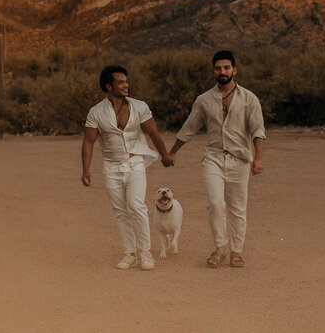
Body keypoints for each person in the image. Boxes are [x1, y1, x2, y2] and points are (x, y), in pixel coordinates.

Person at [169, 50, 265, 268]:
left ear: (234, 70)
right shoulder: (204, 100)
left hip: (240, 159)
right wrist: (173, 151)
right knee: (215, 203)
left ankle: (236, 252)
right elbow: (189, 128)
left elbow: (258, 129)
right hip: (213, 158)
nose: (222, 72)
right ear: (214, 70)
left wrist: (258, 158)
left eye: (226, 68)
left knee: (238, 207)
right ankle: (220, 247)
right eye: (218, 68)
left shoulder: (249, 99)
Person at [81, 65, 172, 271]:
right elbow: (88, 141)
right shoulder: (96, 112)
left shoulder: (139, 107)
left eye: (126, 81)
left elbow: (153, 134)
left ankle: (145, 252)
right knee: (120, 211)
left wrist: (165, 154)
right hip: (111, 168)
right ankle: (129, 253)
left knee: (136, 205)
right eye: (120, 82)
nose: (125, 85)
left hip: (135, 163)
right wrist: (86, 170)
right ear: (108, 86)